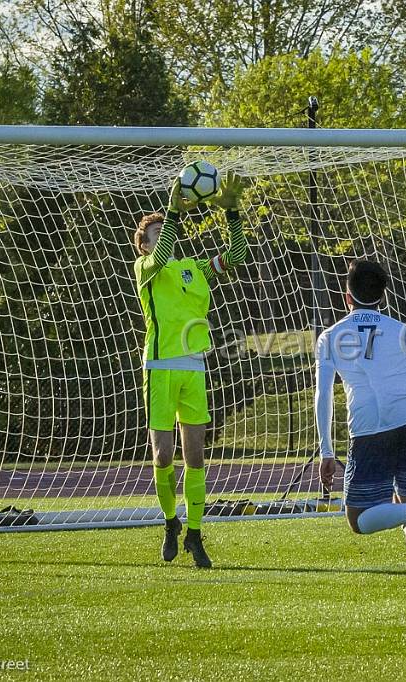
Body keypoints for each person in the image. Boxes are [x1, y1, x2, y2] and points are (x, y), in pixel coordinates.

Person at [315, 259, 406, 608]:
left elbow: (323, 396)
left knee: (360, 520)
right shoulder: (403, 330)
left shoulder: (331, 336)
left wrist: (325, 449)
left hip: (369, 427)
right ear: (383, 296)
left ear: (346, 296)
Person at [134, 174, 248, 568]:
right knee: (163, 456)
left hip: (193, 369)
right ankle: (170, 522)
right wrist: (171, 212)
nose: (163, 235)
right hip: (160, 368)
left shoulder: (193, 267)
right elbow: (162, 252)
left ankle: (196, 533)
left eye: (165, 230)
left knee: (196, 456)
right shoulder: (147, 267)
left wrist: (231, 212)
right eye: (155, 233)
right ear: (144, 243)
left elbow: (237, 254)